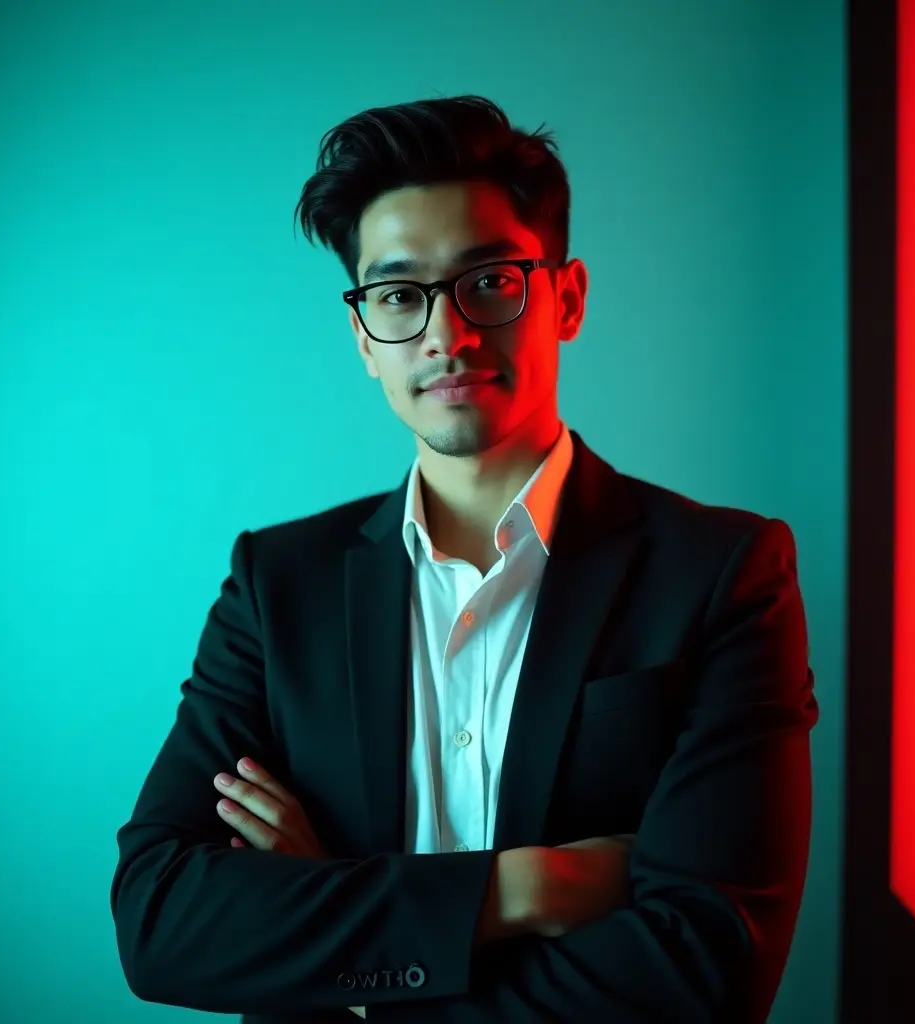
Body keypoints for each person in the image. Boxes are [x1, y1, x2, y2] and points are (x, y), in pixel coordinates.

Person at [110, 95, 818, 1024]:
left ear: (564, 299)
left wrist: (351, 939)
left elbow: (707, 970)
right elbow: (160, 921)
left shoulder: (725, 572)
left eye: (488, 280)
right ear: (365, 337)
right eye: (400, 294)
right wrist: (526, 889)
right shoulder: (277, 584)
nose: (447, 332)